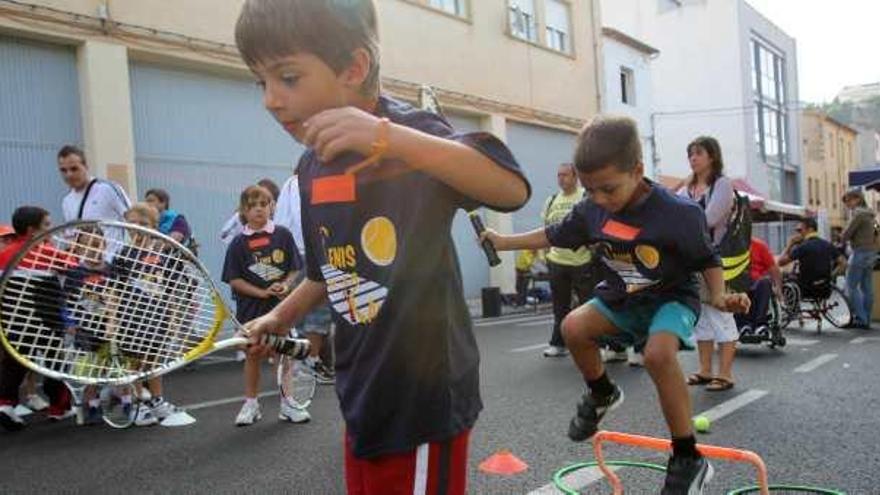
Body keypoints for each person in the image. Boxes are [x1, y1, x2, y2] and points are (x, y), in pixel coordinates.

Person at [235, 1, 529, 493]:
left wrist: (389, 138)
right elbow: (324, 271)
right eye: (260, 82)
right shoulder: (311, 167)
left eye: (287, 77)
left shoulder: (410, 135)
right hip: (363, 389)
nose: (270, 99)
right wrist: (279, 317)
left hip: (422, 395)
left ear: (354, 67)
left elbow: (510, 188)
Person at [483, 115, 748, 494]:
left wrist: (719, 296)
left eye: (608, 189)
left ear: (638, 170)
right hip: (622, 294)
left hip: (671, 296)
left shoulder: (677, 213)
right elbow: (553, 235)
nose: (600, 199)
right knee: (572, 327)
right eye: (590, 189)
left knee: (658, 355)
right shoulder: (592, 208)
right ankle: (602, 392)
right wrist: (502, 241)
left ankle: (689, 457)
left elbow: (707, 259)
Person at [222, 185, 305, 426]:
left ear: (272, 207)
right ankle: (251, 403)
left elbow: (294, 267)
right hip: (251, 310)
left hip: (280, 309)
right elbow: (235, 280)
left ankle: (287, 402)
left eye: (263, 204)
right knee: (253, 354)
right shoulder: (238, 243)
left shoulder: (282, 235)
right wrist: (261, 292)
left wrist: (286, 285)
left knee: (284, 354)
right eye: (252, 206)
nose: (258, 209)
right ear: (243, 212)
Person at [0, 207, 74, 430]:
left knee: (13, 365)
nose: (50, 230)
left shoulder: (4, 254)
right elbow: (75, 268)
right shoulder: (46, 252)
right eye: (47, 225)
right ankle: (59, 408)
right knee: (56, 364)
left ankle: (5, 405)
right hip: (47, 319)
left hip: (13, 321)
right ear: (33, 230)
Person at [679, 136, 740, 393]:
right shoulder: (688, 186)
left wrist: (679, 224)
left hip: (716, 260)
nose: (693, 158)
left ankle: (725, 374)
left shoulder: (722, 185)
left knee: (721, 314)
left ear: (712, 156)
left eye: (698, 153)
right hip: (693, 260)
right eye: (690, 154)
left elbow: (709, 219)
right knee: (701, 317)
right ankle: (705, 370)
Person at [119, 203, 184, 426]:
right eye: (133, 224)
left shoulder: (161, 257)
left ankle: (157, 400)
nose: (138, 229)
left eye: (144, 225)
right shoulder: (123, 254)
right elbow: (114, 290)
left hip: (157, 317)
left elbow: (170, 289)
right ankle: (138, 404)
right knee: (134, 362)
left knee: (154, 361)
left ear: (155, 227)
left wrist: (173, 318)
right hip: (130, 318)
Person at [275, 173, 335, 383]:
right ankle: (310, 361)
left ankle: (300, 363)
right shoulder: (313, 181)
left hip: (292, 252)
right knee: (317, 310)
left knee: (298, 311)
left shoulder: (289, 183)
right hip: (312, 250)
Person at [542, 163, 595, 358]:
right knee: (560, 306)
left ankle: (593, 343)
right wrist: (547, 255)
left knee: (588, 306)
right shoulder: (551, 200)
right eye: (558, 175)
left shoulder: (584, 197)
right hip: (557, 261)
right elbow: (546, 228)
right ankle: (558, 344)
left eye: (565, 175)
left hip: (581, 261)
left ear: (575, 177)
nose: (561, 179)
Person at [778, 218, 846, 302]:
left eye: (800, 230)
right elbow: (843, 263)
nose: (798, 233)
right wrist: (831, 277)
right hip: (825, 289)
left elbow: (780, 262)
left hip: (806, 290)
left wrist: (790, 244)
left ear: (810, 229)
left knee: (784, 275)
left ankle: (792, 311)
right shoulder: (827, 244)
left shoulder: (802, 247)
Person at [58, 145, 131, 224]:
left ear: (86, 167)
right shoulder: (67, 201)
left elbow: (133, 220)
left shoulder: (107, 189)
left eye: (74, 169)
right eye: (63, 170)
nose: (69, 175)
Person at [841, 190, 877, 329]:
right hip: (871, 252)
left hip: (860, 252)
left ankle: (861, 319)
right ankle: (866, 317)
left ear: (857, 199)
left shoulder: (858, 214)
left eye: (848, 200)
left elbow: (847, 233)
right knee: (866, 287)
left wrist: (841, 239)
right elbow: (875, 232)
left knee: (850, 286)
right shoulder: (870, 214)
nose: (847, 204)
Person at [735, 237, 783, 337]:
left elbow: (773, 268)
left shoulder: (759, 245)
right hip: (737, 281)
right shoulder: (728, 246)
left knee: (765, 283)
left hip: (757, 282)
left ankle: (760, 325)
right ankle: (743, 325)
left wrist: (778, 288)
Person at [220, 178, 280, 246]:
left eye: (263, 203)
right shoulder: (240, 217)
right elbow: (225, 235)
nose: (259, 208)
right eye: (254, 203)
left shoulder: (279, 223)